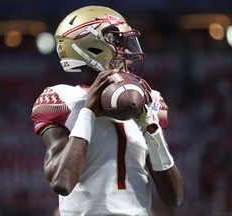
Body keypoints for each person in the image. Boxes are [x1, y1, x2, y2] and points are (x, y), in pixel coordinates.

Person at [31, 5, 183, 216]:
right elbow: (61, 182)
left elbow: (174, 197)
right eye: (117, 42)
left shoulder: (148, 100)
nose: (128, 51)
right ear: (90, 46)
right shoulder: (65, 99)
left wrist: (152, 130)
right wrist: (88, 113)